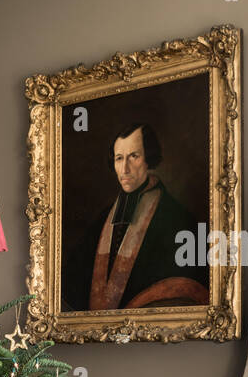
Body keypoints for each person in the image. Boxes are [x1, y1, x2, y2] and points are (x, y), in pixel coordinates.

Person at [62, 123, 208, 311]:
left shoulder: (175, 218)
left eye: (134, 156)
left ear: (149, 159)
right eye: (119, 158)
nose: (125, 169)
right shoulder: (104, 218)